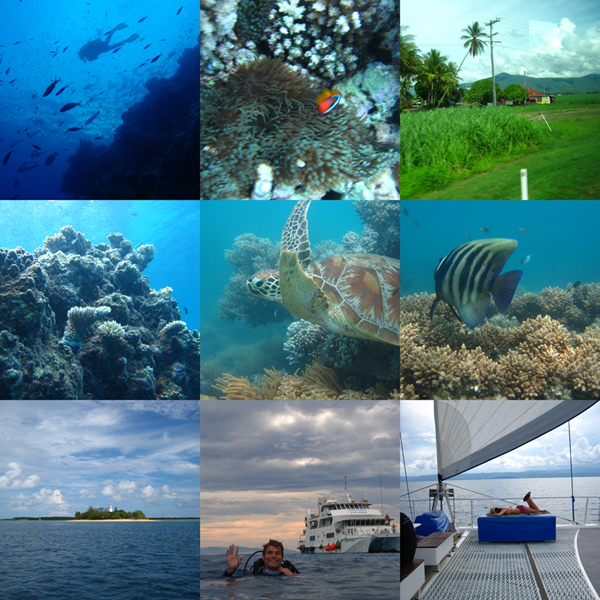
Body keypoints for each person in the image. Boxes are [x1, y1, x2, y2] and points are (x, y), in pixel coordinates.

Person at [222, 539, 299, 577]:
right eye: (270, 552)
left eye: (277, 553)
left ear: (282, 558)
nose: (273, 556)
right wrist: (229, 571)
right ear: (263, 557)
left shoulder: (290, 574)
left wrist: (293, 576)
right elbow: (228, 582)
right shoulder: (252, 574)